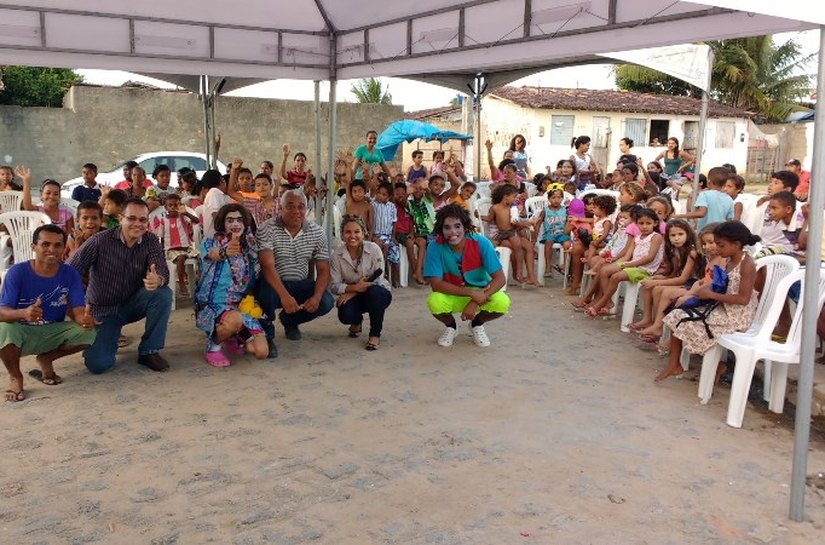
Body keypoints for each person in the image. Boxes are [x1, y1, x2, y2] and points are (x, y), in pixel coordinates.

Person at [68, 198, 173, 374]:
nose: (137, 224)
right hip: (102, 310)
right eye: (131, 218)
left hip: (132, 304)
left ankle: (149, 351)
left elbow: (162, 269)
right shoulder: (99, 241)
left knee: (163, 293)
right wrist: (79, 309)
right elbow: (69, 273)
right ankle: (107, 337)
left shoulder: (151, 240)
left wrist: (158, 279)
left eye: (143, 220)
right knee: (98, 365)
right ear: (119, 218)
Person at [0, 225, 97, 402]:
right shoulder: (17, 272)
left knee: (88, 333)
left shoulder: (70, 273)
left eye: (57, 245)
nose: (52, 250)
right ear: (33, 247)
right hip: (22, 333)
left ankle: (46, 359)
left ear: (63, 248)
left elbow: (78, 311)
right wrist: (23, 313)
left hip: (52, 330)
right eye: (45, 244)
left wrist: (85, 319)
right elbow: (2, 312)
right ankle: (16, 377)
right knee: (4, 330)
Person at [657, 221, 760, 382]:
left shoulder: (747, 264)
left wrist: (712, 296)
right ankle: (674, 364)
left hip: (736, 316)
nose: (718, 249)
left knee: (687, 320)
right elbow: (720, 283)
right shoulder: (728, 260)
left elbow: (743, 299)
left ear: (736, 244)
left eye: (721, 245)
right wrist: (697, 292)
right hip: (723, 306)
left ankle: (718, 364)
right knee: (676, 313)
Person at [255, 189, 335, 358]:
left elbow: (323, 270)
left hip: (300, 283)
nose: (296, 211)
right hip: (273, 282)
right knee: (266, 294)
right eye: (290, 206)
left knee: (326, 301)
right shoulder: (266, 228)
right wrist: (284, 295)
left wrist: (316, 297)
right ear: (280, 208)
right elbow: (267, 266)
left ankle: (290, 321)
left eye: (301, 207)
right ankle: (267, 335)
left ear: (306, 209)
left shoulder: (317, 232)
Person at [424, 204, 510, 348]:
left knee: (502, 302)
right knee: (435, 302)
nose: (453, 232)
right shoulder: (434, 246)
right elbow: (436, 284)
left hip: (481, 292)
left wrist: (474, 301)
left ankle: (476, 324)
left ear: (465, 226)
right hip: (453, 293)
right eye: (447, 227)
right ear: (440, 229)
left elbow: (500, 278)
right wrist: (470, 293)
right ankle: (451, 326)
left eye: (457, 226)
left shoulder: (481, 242)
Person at [195, 203, 267, 366]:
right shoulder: (210, 242)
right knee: (234, 320)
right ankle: (213, 346)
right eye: (230, 220)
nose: (235, 224)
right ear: (222, 223)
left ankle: (232, 335)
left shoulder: (248, 247)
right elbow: (213, 254)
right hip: (213, 305)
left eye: (239, 220)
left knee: (261, 351)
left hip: (239, 307)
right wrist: (225, 252)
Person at [330, 215, 392, 351]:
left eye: (357, 231)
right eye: (348, 232)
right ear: (342, 234)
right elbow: (334, 286)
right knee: (345, 313)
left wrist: (352, 291)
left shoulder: (374, 249)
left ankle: (375, 334)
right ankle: (356, 322)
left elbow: (378, 277)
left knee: (375, 293)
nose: (352, 236)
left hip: (378, 292)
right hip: (356, 294)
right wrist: (354, 288)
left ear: (363, 233)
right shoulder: (336, 255)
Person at [150, 193, 199, 296]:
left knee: (201, 256)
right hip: (172, 250)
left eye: (175, 205)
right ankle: (181, 282)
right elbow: (160, 236)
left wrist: (186, 213)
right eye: (170, 205)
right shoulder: (163, 221)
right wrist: (162, 252)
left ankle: (200, 280)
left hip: (187, 249)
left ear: (180, 205)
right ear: (165, 207)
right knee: (181, 258)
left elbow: (197, 221)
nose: (173, 207)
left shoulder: (183, 217)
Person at [672, 166, 733, 231]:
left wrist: (679, 216)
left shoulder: (705, 194)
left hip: (705, 232)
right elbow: (729, 219)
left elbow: (701, 213)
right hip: (720, 233)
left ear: (708, 180)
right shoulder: (729, 198)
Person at [18, 167, 74, 232]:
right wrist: (26, 182)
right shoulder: (37, 210)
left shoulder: (67, 214)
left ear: (59, 196)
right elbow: (27, 206)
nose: (51, 196)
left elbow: (70, 236)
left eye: (56, 194)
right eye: (48, 193)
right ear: (41, 195)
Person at [202, 169, 233, 238]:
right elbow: (216, 216)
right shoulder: (214, 192)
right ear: (222, 180)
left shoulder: (222, 195)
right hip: (215, 239)